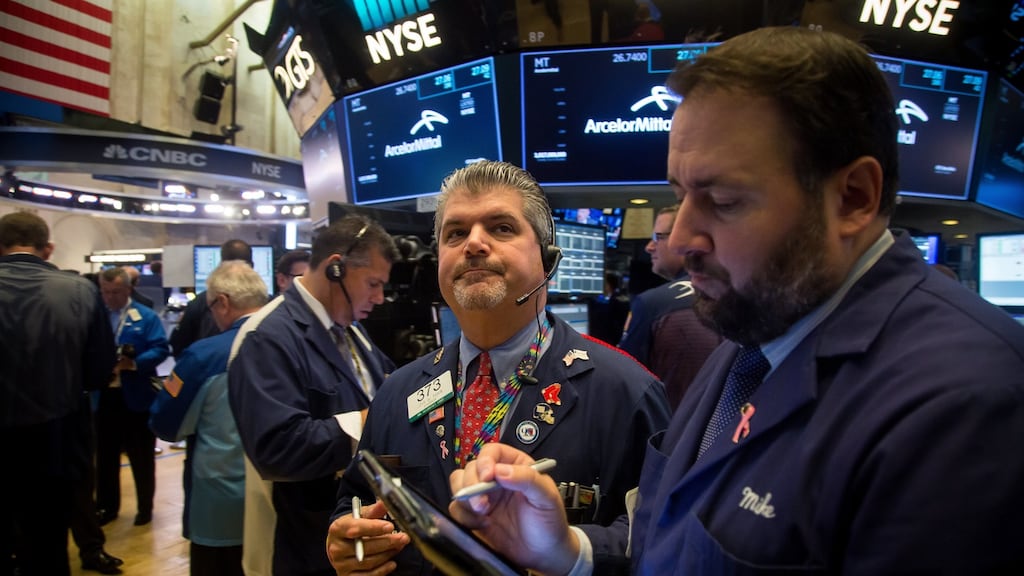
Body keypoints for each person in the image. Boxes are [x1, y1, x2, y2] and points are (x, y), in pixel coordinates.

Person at [447, 27, 1024, 575]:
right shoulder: (757, 330)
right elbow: (674, 537)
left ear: (853, 198)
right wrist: (567, 551)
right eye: (679, 194)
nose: (679, 241)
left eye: (722, 200)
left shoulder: (967, 406)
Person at [325, 160, 671, 575]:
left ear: (547, 259)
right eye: (455, 233)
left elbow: (663, 536)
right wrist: (348, 538)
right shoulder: (398, 391)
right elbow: (357, 498)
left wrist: (569, 551)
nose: (473, 244)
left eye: (501, 228)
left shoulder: (626, 392)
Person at [228, 215, 398, 576]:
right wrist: (369, 422)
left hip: (350, 531)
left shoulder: (349, 328)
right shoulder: (266, 337)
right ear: (336, 269)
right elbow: (277, 448)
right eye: (373, 283)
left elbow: (388, 386)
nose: (380, 298)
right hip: (299, 543)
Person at [0, 211, 116, 576]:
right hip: (56, 440)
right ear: (48, 249)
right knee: (48, 544)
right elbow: (99, 373)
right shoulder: (80, 290)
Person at [150, 260, 269, 576]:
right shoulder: (298, 345)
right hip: (283, 501)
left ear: (223, 303)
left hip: (221, 506)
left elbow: (167, 425)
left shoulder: (202, 356)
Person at [618, 205, 720, 410]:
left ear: (685, 238)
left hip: (667, 434)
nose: (649, 247)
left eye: (658, 237)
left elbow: (621, 381)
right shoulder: (729, 295)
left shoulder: (653, 304)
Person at [95, 267, 170, 527]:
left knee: (141, 457)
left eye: (116, 292)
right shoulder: (98, 316)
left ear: (128, 289)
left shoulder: (145, 317)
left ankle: (144, 508)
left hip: (136, 396)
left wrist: (135, 364)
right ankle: (107, 506)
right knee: (105, 456)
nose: (110, 298)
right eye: (105, 292)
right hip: (105, 396)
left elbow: (161, 348)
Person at [170, 239, 251, 358]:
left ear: (221, 265)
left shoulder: (202, 302)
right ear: (252, 265)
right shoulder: (270, 304)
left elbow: (179, 346)